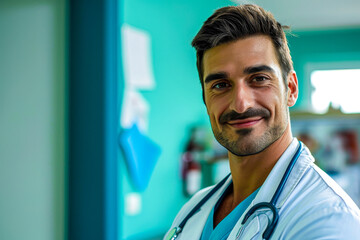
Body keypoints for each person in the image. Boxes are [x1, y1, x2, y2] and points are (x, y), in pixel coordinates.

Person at [164, 4, 360, 240]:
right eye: (220, 85)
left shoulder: (328, 220)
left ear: (291, 89)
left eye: (258, 79)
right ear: (205, 99)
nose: (241, 104)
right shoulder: (192, 212)